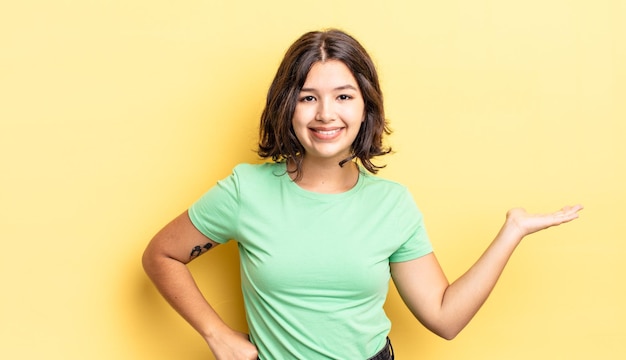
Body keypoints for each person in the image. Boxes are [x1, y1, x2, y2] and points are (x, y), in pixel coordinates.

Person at [142, 29, 582, 360]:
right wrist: (216, 334)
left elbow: (445, 319)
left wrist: (512, 232)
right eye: (308, 97)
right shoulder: (246, 190)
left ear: (365, 107)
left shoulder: (392, 204)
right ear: (286, 106)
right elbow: (161, 255)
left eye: (343, 96)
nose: (326, 114)